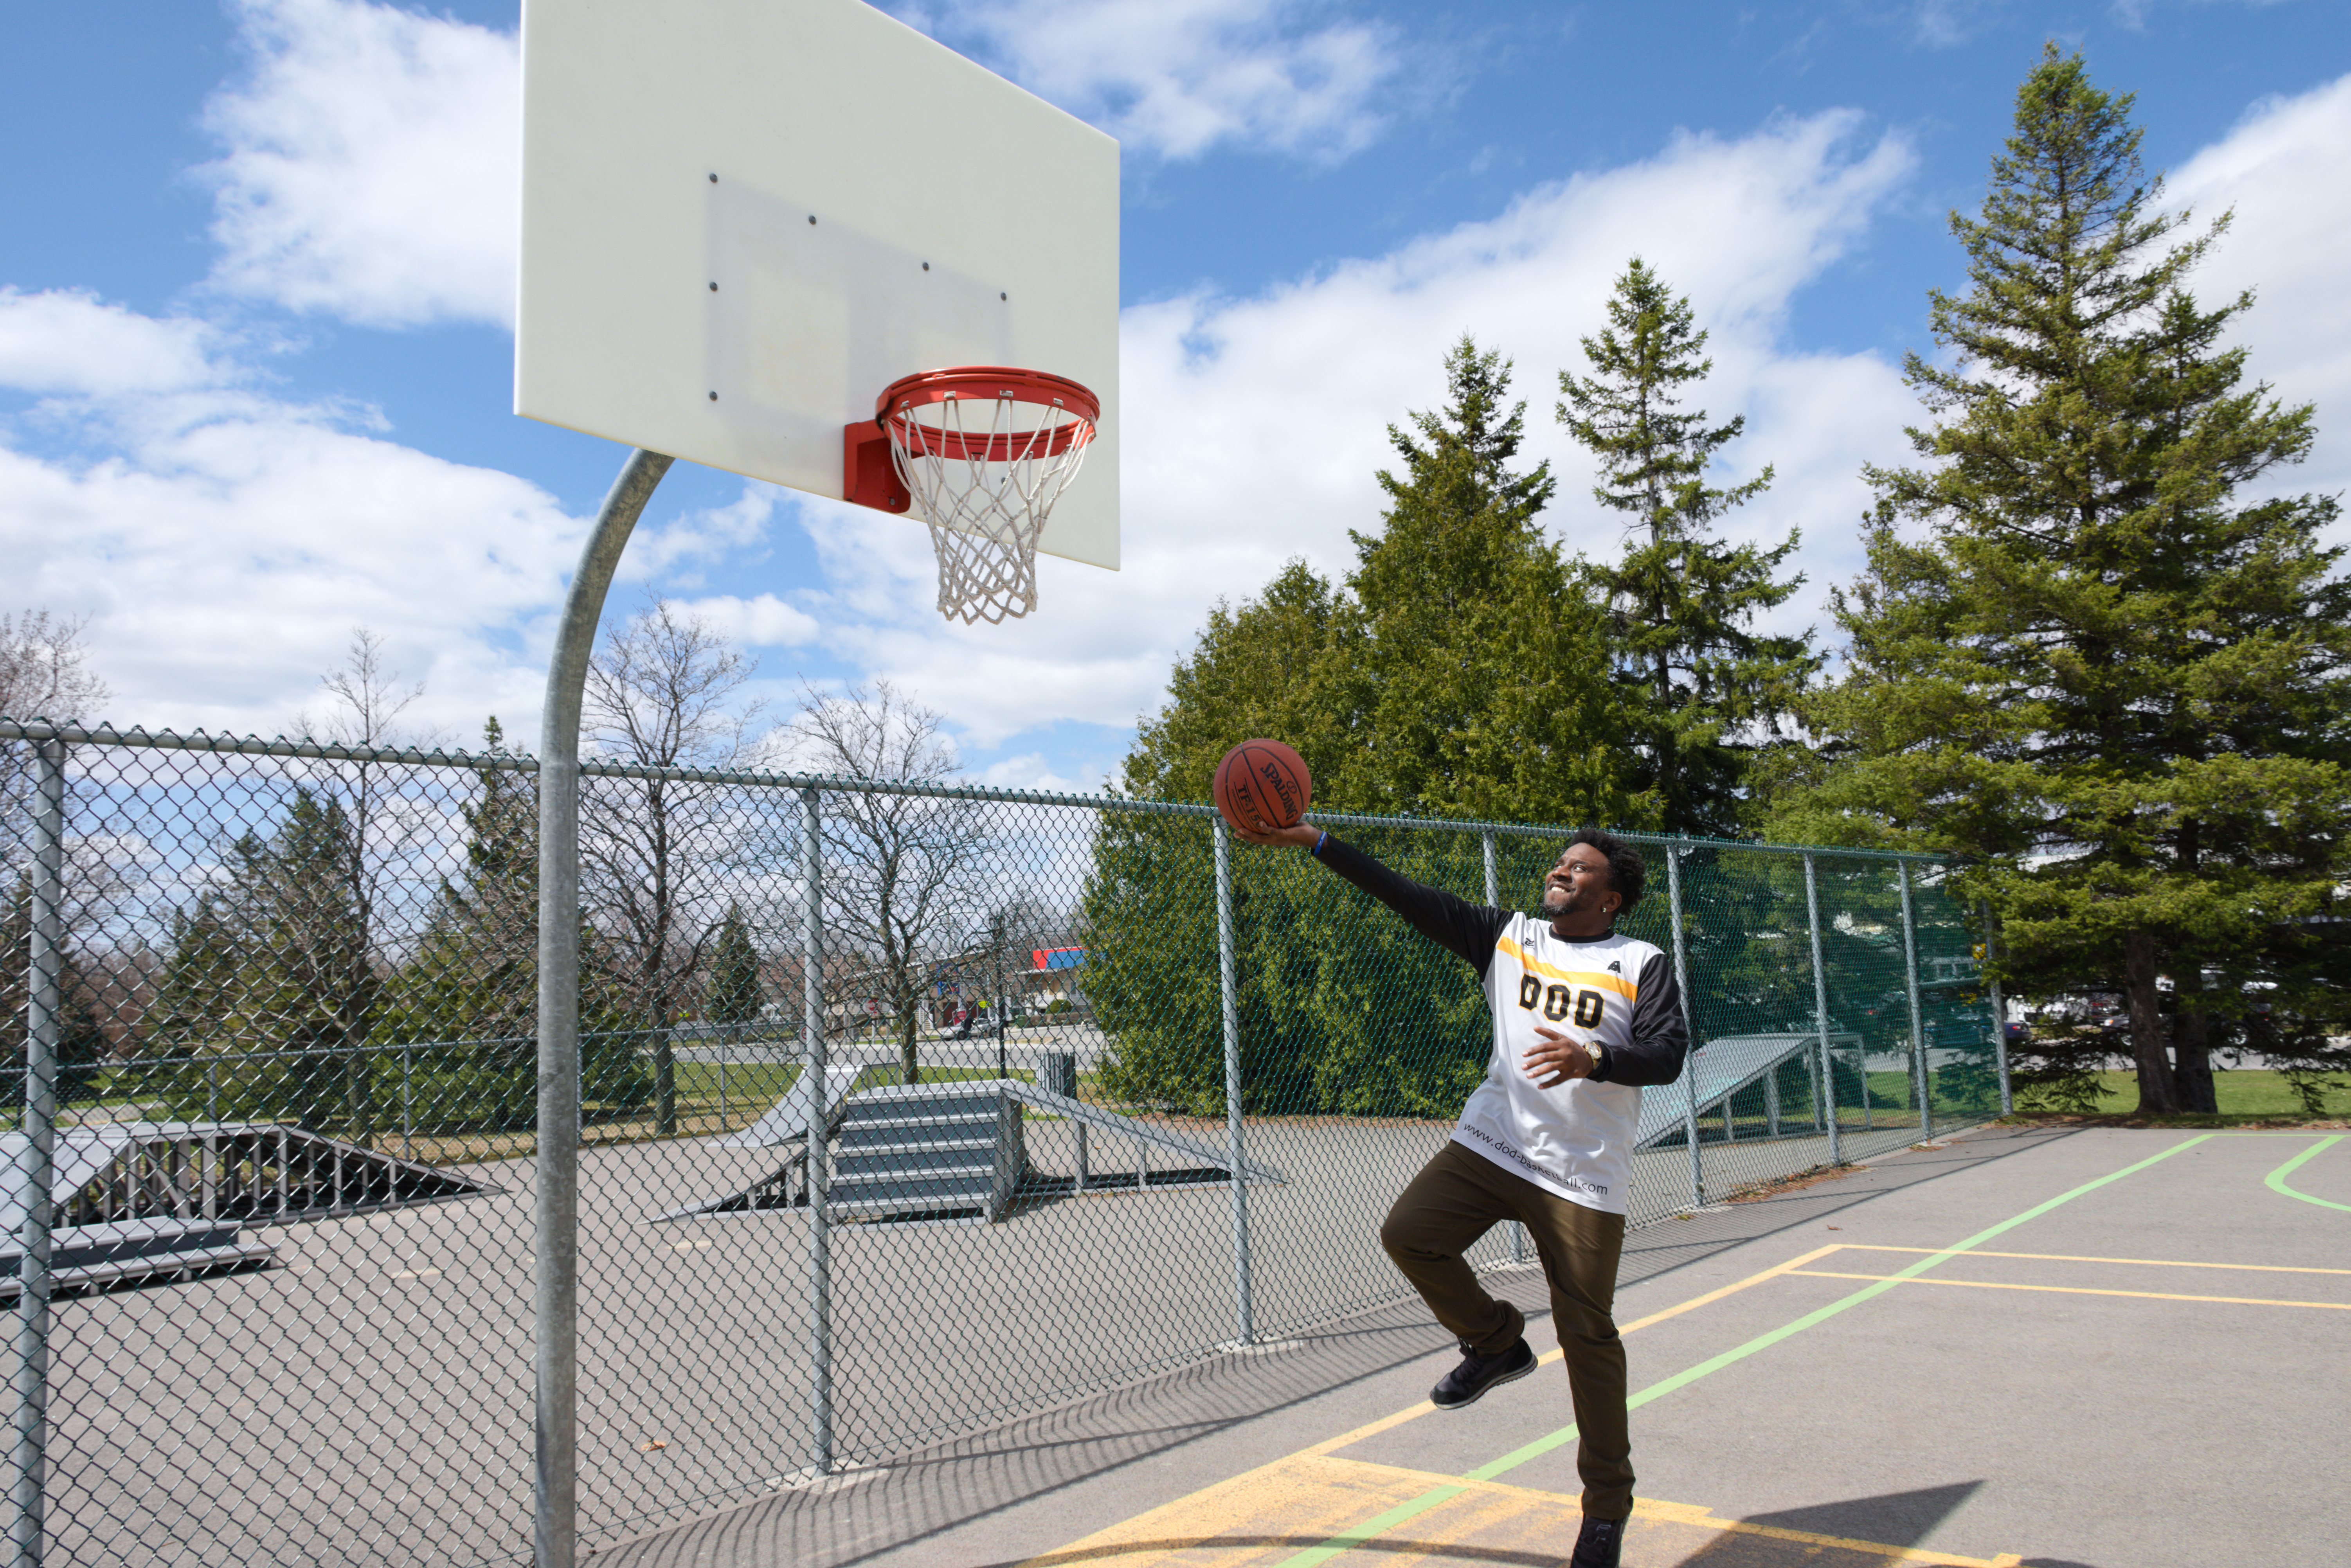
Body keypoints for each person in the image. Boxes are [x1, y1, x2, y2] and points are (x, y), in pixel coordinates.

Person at [1232, 820, 1688, 1568]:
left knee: (1588, 1337)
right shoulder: (1510, 938)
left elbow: (1668, 1054)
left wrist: (1595, 1057)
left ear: (1611, 898)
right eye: (1561, 863)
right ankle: (1497, 1340)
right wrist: (1317, 842)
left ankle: (1606, 1509)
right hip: (1493, 1144)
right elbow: (1406, 896)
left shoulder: (1640, 961)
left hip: (1580, 1173)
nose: (1562, 872)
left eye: (1581, 869)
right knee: (1409, 1234)